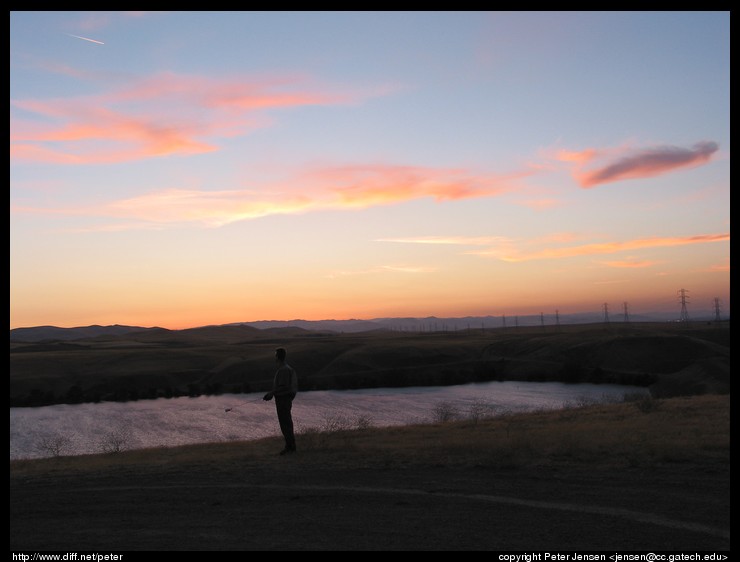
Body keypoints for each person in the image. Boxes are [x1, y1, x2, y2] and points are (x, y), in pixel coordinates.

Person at [263, 347, 298, 455]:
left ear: (277, 356)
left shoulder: (283, 370)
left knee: (285, 423)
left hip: (283, 400)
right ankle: (290, 446)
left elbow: (283, 387)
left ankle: (290, 447)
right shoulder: (286, 368)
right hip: (284, 399)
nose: (275, 357)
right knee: (287, 422)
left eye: (275, 355)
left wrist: (271, 394)